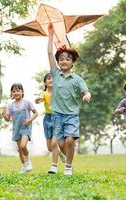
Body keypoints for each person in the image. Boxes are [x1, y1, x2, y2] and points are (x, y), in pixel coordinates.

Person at [47, 23, 91, 175]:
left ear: (73, 62)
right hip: (57, 115)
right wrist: (51, 35)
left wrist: (86, 96)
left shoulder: (77, 79)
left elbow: (86, 91)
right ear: (58, 62)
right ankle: (69, 161)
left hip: (72, 114)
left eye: (67, 59)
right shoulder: (55, 75)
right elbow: (49, 54)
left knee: (70, 140)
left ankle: (67, 167)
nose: (64, 61)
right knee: (60, 144)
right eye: (61, 59)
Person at [2, 83, 38, 173]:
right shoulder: (10, 106)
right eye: (13, 91)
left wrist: (30, 120)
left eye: (18, 90)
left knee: (23, 146)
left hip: (26, 127)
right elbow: (8, 119)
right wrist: (4, 115)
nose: (16, 93)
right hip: (16, 128)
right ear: (11, 94)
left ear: (22, 92)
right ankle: (24, 166)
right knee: (20, 150)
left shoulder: (27, 103)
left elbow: (36, 113)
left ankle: (28, 162)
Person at [35, 73, 66, 174]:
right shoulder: (44, 93)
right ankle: (60, 153)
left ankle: (54, 166)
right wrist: (38, 100)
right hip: (47, 120)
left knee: (54, 143)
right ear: (45, 83)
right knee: (50, 147)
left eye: (53, 78)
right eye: (48, 79)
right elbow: (39, 99)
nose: (51, 80)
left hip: (58, 118)